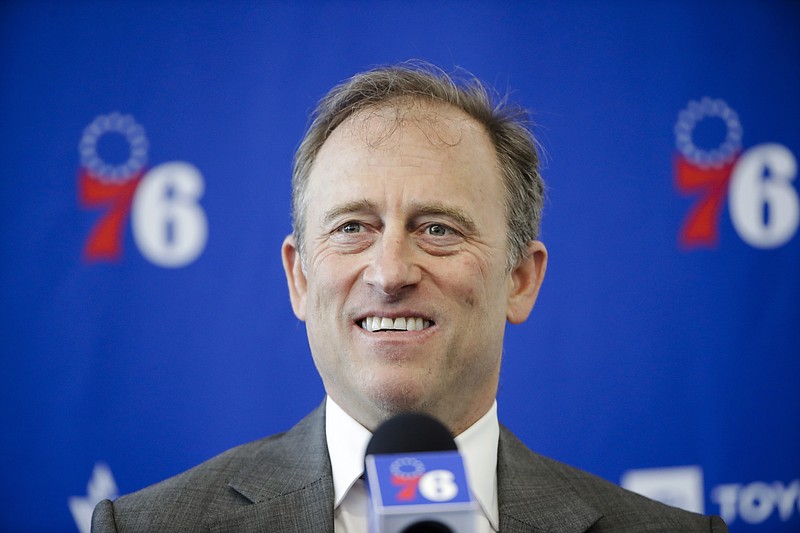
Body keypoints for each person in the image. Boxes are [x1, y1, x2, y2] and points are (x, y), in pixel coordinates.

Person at [92, 61, 728, 532]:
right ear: (300, 277)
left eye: (438, 229)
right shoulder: (148, 526)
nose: (390, 270)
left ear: (521, 279)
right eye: (352, 228)